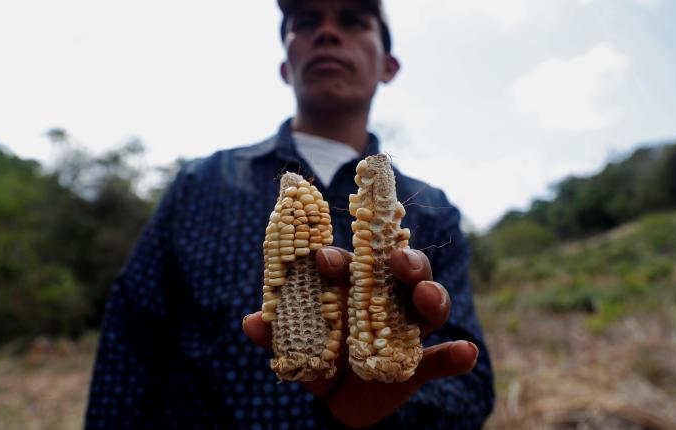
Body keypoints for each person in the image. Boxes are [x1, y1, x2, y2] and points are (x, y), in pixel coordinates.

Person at [85, 0, 495, 428]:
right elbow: (130, 345)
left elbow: (472, 384)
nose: (328, 33)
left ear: (388, 66)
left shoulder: (434, 210)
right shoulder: (200, 184)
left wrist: (394, 406)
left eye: (353, 21)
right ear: (286, 65)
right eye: (306, 22)